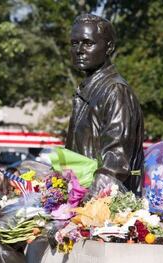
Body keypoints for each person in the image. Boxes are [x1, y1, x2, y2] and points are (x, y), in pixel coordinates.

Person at [65, 14, 144, 195]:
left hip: (104, 205)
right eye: (74, 43)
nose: (79, 50)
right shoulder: (87, 90)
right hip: (78, 195)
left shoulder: (115, 90)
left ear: (109, 47)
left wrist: (84, 203)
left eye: (87, 43)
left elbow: (115, 162)